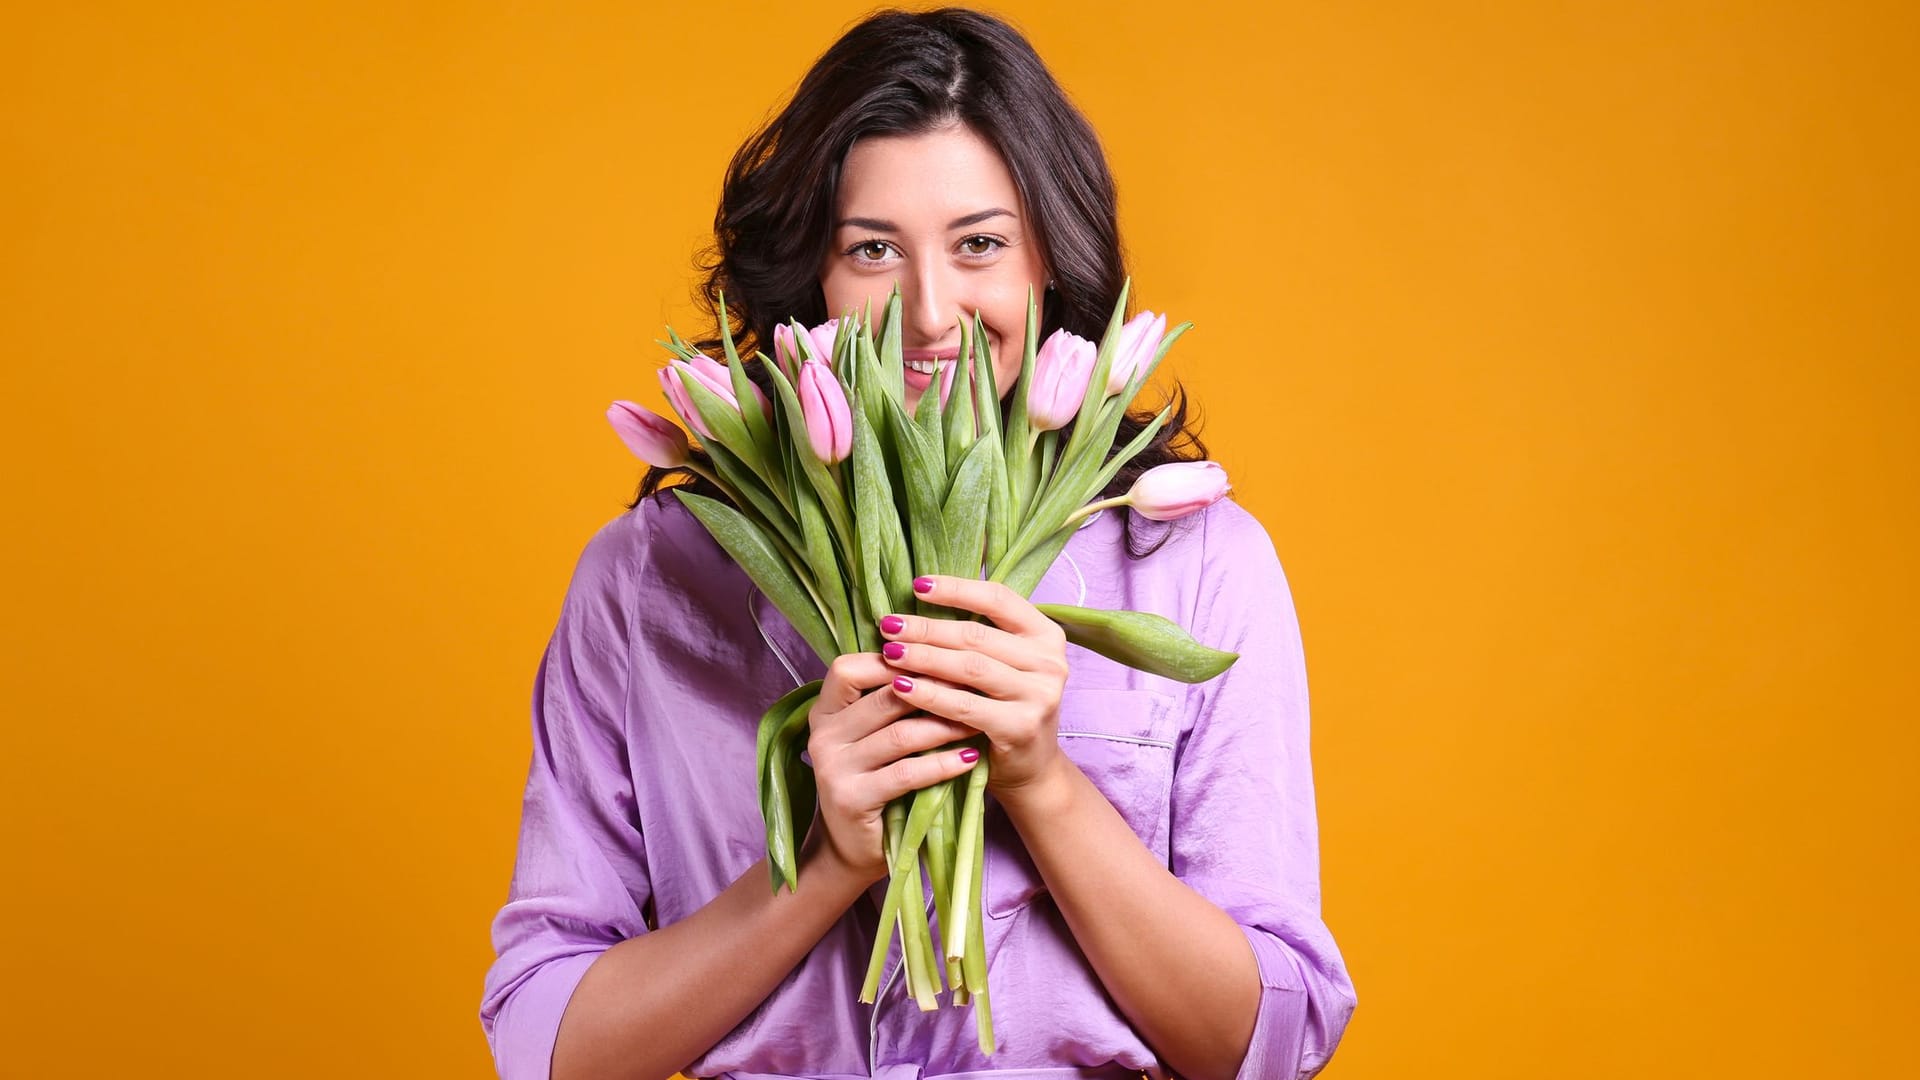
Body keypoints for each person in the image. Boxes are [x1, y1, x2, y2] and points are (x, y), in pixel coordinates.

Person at [479, 8, 1357, 1080]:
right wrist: (823, 863)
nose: (931, 312)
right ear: (813, 274)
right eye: (873, 249)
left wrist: (1043, 781)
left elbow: (1268, 1043)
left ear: (1050, 257)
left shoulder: (1193, 560)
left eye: (980, 243)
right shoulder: (650, 578)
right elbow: (543, 1047)